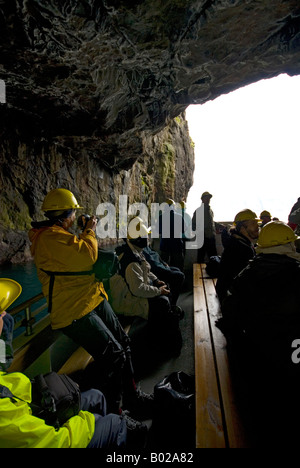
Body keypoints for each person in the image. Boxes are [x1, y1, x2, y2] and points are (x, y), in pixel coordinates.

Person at [28, 188, 153, 425]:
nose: (75, 217)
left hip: (92, 299)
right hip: (74, 311)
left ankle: (133, 397)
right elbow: (86, 255)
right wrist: (89, 230)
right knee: (114, 357)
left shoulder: (58, 235)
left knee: (123, 344)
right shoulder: (48, 238)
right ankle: (116, 413)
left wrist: (85, 232)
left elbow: (79, 258)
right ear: (66, 215)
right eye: (73, 213)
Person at [0, 279, 127, 449]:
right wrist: (85, 419)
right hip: (44, 426)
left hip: (30, 404)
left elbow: (2, 364)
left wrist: (4, 335)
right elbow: (59, 442)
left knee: (96, 396)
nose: (5, 315)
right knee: (116, 424)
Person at [219, 222, 300, 445]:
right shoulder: (296, 275)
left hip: (254, 365)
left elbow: (229, 312)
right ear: (287, 246)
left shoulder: (247, 274)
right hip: (286, 369)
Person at [110, 219, 182, 355]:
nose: (147, 239)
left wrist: (156, 281)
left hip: (133, 294)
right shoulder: (130, 262)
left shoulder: (136, 251)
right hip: (127, 301)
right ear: (137, 240)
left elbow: (147, 271)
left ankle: (165, 332)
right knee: (162, 303)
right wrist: (158, 290)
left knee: (165, 295)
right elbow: (138, 290)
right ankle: (165, 344)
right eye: (144, 237)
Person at [216, 209, 260, 303]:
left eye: (257, 223)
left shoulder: (237, 242)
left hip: (226, 291)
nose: (257, 227)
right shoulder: (241, 248)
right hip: (230, 298)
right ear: (242, 228)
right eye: (253, 223)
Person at [159, 198, 186, 271]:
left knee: (163, 265)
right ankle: (179, 279)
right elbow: (184, 230)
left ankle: (165, 280)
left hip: (165, 244)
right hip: (177, 244)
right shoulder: (179, 217)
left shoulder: (161, 217)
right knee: (178, 265)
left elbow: (158, 230)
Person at [192, 192, 217, 263]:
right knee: (200, 257)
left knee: (213, 257)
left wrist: (219, 226)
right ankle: (198, 273)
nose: (208, 199)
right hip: (202, 238)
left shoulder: (210, 211)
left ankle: (213, 273)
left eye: (209, 198)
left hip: (211, 237)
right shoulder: (198, 211)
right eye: (206, 198)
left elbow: (211, 222)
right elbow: (193, 224)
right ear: (202, 199)